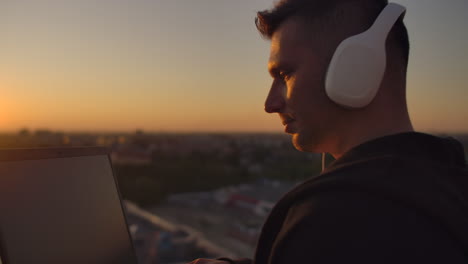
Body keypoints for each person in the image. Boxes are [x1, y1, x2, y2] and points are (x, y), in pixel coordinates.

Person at [189, 0, 468, 263]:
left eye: (285, 75)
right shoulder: (446, 183)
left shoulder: (337, 215)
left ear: (357, 66)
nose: (270, 104)